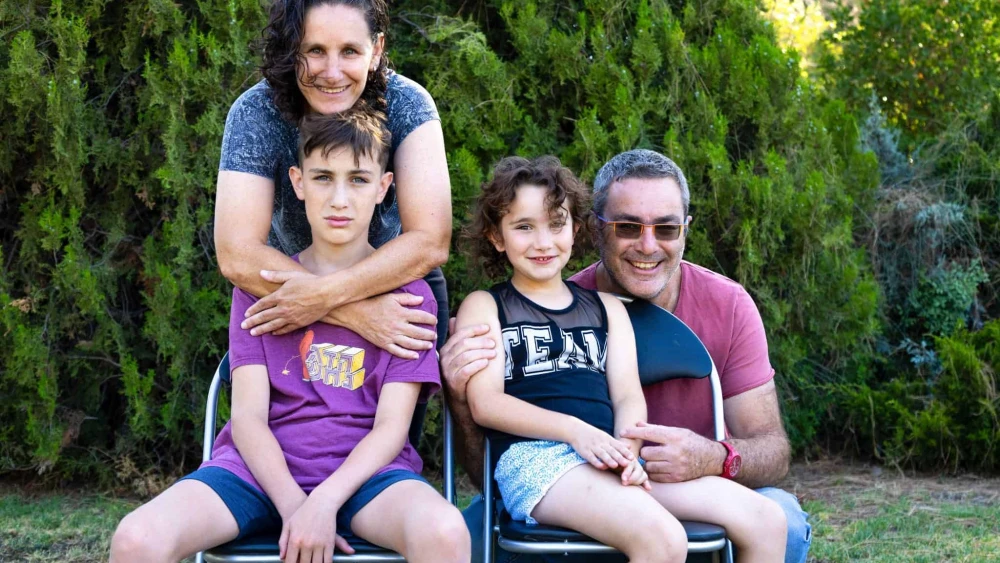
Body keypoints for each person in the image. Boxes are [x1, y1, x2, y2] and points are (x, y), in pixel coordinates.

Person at [109, 110, 469, 563]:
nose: (339, 199)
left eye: (358, 180)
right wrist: (295, 506)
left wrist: (324, 502)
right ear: (298, 183)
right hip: (256, 476)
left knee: (445, 533)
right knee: (136, 539)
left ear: (383, 187)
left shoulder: (411, 298)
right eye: (323, 178)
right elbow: (248, 419)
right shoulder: (260, 285)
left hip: (367, 479)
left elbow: (392, 429)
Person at [444, 150, 812, 563]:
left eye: (556, 224)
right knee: (663, 538)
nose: (543, 241)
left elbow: (627, 396)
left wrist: (628, 452)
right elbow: (486, 404)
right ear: (497, 237)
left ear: (575, 228)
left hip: (608, 455)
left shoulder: (607, 308)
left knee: (768, 520)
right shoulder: (487, 305)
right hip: (539, 462)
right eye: (524, 227)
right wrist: (576, 432)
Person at [214, 0, 450, 359]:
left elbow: (430, 240)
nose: (332, 72)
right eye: (315, 51)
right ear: (292, 50)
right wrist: (355, 314)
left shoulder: (408, 104)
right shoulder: (256, 112)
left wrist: (323, 296)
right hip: (285, 293)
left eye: (350, 51)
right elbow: (236, 252)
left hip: (396, 293)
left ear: (376, 50)